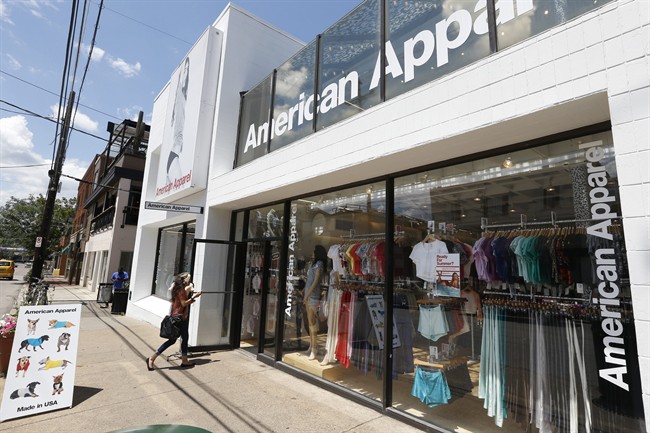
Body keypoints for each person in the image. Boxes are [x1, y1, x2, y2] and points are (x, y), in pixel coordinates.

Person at [146, 272, 202, 370]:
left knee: (184, 338)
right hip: (178, 318)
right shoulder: (181, 290)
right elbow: (184, 303)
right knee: (173, 340)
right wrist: (194, 297)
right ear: (185, 280)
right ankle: (152, 358)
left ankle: (184, 360)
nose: (190, 281)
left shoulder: (176, 288)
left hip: (180, 317)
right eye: (189, 279)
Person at [166, 57, 190, 184]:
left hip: (173, 156)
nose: (187, 74)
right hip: (173, 156)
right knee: (179, 184)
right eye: (185, 70)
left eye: (188, 70)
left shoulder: (182, 100)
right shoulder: (179, 97)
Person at [302, 245, 328, 361]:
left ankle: (314, 348)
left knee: (313, 323)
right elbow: (310, 281)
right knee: (310, 322)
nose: (312, 252)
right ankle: (312, 345)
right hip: (308, 295)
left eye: (314, 251)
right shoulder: (314, 264)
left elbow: (316, 282)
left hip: (312, 296)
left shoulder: (319, 265)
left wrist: (307, 295)